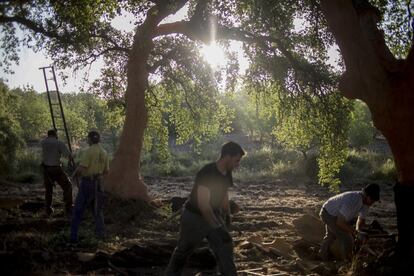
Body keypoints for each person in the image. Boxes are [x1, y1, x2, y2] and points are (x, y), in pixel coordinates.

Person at [165, 141, 245, 276]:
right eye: (236, 161)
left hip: (214, 215)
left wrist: (227, 216)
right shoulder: (207, 172)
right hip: (194, 217)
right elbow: (204, 205)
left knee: (225, 247)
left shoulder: (227, 172)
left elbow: (224, 195)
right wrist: (218, 228)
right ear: (227, 157)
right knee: (183, 251)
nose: (238, 165)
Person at [319, 183, 381, 261]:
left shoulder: (366, 203)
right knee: (347, 238)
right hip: (328, 213)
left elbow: (361, 219)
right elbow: (340, 222)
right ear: (366, 196)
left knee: (331, 235)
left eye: (374, 200)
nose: (373, 202)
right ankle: (346, 262)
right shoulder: (354, 201)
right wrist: (355, 233)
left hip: (338, 214)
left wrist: (359, 231)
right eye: (372, 199)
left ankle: (322, 255)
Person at [70, 131, 109, 243]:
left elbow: (82, 168)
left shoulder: (89, 151)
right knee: (97, 210)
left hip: (87, 183)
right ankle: (101, 236)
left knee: (78, 209)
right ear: (99, 139)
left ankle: (73, 237)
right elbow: (106, 171)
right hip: (99, 184)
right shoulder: (105, 152)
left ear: (90, 139)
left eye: (88, 139)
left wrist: (73, 175)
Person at [41, 129, 74, 217]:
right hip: (56, 169)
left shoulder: (43, 142)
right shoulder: (58, 143)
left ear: (48, 135)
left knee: (48, 190)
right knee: (68, 186)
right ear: (55, 134)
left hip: (46, 170)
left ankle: (48, 209)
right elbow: (68, 155)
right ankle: (68, 208)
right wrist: (71, 160)